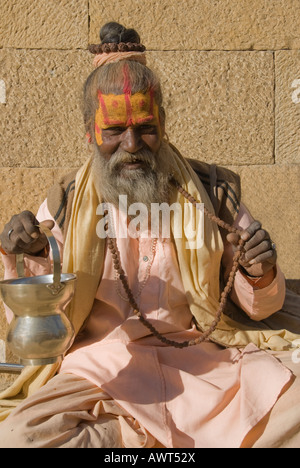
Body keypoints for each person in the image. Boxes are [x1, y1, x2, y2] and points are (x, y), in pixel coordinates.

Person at [0, 22, 299, 448]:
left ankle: (135, 439)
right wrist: (32, 256)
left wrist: (259, 270)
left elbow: (260, 307)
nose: (132, 143)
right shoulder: (66, 201)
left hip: (200, 359)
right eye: (114, 130)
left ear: (163, 121)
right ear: (90, 132)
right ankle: (145, 436)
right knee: (17, 437)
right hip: (102, 366)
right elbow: (37, 326)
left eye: (145, 126)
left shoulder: (210, 192)